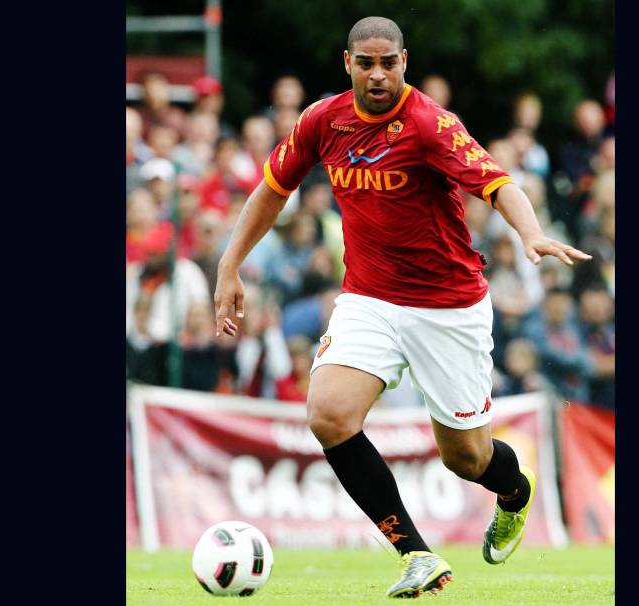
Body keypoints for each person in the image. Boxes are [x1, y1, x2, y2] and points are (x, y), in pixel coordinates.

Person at [212, 16, 590, 599]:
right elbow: (271, 191)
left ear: (404, 61)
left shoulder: (429, 124)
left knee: (465, 458)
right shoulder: (322, 120)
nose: (379, 74)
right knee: (329, 416)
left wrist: (531, 232)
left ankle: (514, 493)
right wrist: (229, 265)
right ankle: (415, 555)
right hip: (369, 298)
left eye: (388, 62)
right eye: (367, 64)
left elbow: (499, 184)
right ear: (348, 65)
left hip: (449, 308)